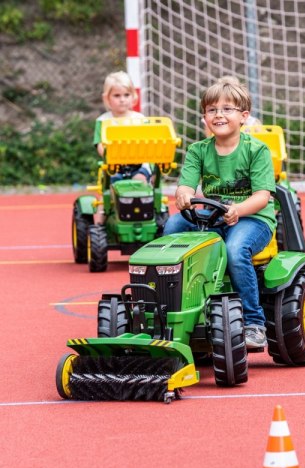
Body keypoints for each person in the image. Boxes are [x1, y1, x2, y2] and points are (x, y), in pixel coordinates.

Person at [164, 78, 277, 349]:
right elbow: (186, 186)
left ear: (243, 116)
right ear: (204, 117)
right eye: (212, 110)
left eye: (227, 109)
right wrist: (183, 195)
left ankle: (254, 322)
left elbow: (262, 197)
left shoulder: (256, 150)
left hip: (253, 219)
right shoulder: (198, 151)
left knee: (235, 250)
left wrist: (238, 209)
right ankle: (167, 308)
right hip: (213, 216)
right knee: (171, 229)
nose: (219, 115)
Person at [93, 71, 151, 183]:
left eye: (126, 95)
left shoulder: (141, 119)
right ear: (107, 98)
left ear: (133, 95)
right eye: (117, 95)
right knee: (114, 182)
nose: (122, 99)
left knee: (140, 180)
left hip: (139, 164)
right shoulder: (102, 121)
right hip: (114, 165)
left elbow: (149, 143)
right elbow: (100, 145)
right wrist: (115, 156)